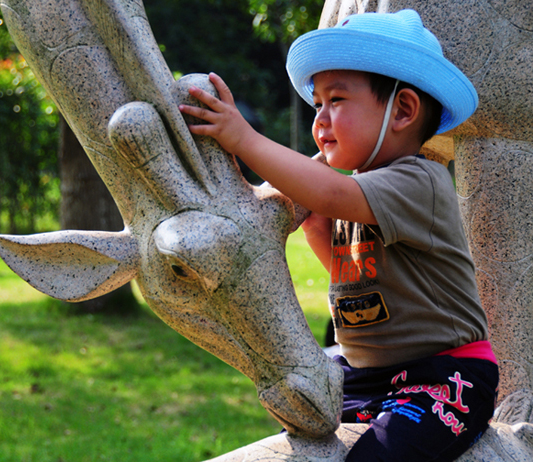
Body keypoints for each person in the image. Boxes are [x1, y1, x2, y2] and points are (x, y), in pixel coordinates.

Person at [179, 9, 499, 462]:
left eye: (337, 101)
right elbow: (352, 273)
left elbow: (327, 192)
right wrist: (307, 220)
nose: (321, 120)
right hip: (366, 375)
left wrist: (242, 138)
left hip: (444, 377)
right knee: (300, 404)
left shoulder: (417, 182)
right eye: (317, 105)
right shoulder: (357, 187)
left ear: (402, 110)